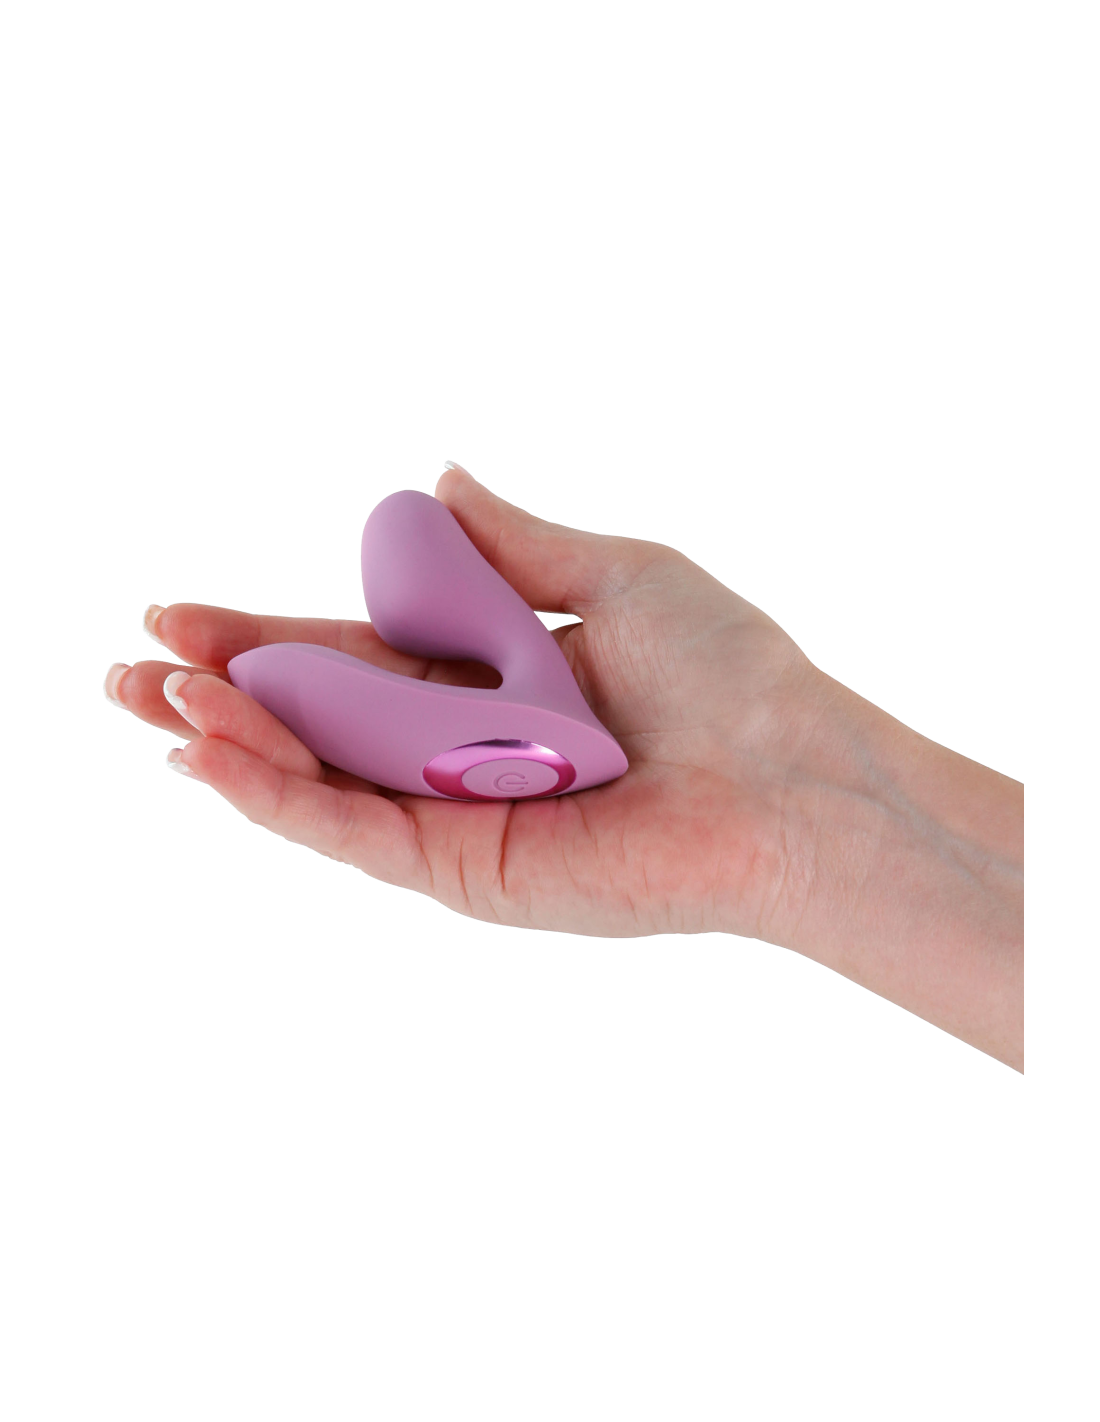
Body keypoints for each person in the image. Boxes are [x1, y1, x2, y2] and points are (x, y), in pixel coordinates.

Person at [102, 462, 1023, 1071]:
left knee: (390, 544)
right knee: (393, 542)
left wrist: (791, 824)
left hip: (558, 726)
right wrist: (795, 839)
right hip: (552, 724)